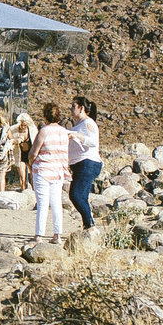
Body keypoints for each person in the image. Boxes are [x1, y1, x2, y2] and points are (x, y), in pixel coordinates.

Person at [28, 101, 72, 242]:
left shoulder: (44, 131)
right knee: (56, 203)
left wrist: (31, 163)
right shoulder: (64, 132)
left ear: (45, 116)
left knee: (42, 203)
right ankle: (57, 234)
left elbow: (33, 153)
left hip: (42, 170)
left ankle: (39, 234)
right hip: (57, 170)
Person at [66, 97, 103, 231]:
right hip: (79, 164)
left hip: (87, 162)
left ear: (81, 108)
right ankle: (87, 226)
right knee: (82, 196)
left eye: (73, 106)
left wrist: (76, 136)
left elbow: (93, 141)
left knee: (75, 195)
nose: (71, 108)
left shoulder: (88, 123)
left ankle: (90, 223)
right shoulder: (78, 125)